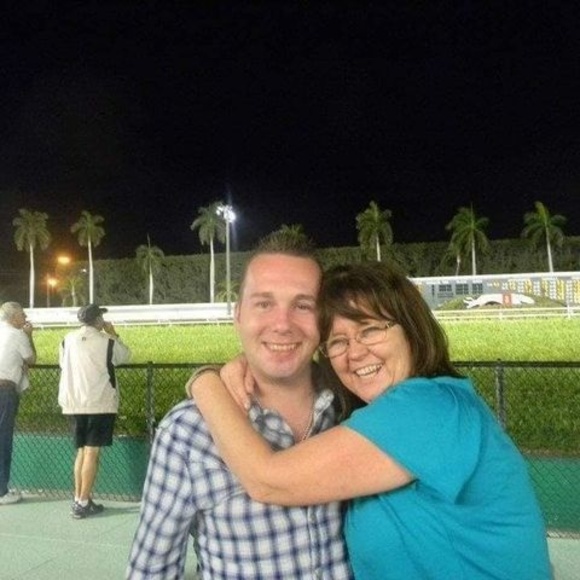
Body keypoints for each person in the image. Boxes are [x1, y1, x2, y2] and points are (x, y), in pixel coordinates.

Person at [191, 262, 552, 580]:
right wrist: (254, 365)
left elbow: (267, 481)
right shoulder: (374, 420)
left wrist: (204, 382)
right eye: (337, 342)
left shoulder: (429, 408)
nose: (355, 353)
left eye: (370, 330)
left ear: (410, 328)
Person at [127, 234, 353, 579]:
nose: (282, 324)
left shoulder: (355, 406)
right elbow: (150, 570)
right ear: (238, 315)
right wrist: (206, 379)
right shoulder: (187, 431)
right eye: (264, 304)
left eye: (303, 306)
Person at [58, 303, 131, 519]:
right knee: (92, 452)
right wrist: (114, 334)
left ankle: (80, 497)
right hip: (99, 402)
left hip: (73, 402)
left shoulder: (66, 340)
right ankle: (82, 502)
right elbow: (125, 356)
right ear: (98, 320)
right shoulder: (107, 341)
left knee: (82, 452)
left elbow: (62, 364)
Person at [0, 302, 36, 506]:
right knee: (3, 440)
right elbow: (31, 359)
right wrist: (29, 335)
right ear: (13, 318)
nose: (25, 317)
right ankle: (1, 491)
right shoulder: (17, 334)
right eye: (22, 314)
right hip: (4, 391)